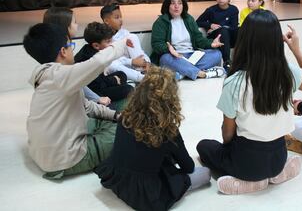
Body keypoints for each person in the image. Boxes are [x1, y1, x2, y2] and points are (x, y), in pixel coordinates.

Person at [196, 10, 302, 194]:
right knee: (264, 157)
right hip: (279, 155)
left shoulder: (235, 81)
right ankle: (276, 174)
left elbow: (227, 134)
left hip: (247, 161)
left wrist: (228, 150)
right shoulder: (287, 72)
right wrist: (296, 50)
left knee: (204, 146)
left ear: (245, 40)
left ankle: (251, 181)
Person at [23, 22, 133, 179]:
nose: (71, 49)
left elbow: (86, 106)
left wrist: (116, 116)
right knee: (131, 130)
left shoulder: (46, 76)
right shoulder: (60, 75)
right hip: (65, 160)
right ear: (63, 51)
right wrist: (122, 43)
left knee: (116, 115)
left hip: (44, 154)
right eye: (70, 45)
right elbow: (98, 62)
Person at [95, 66, 211, 210]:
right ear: (171, 99)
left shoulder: (125, 116)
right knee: (205, 174)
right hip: (146, 194)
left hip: (118, 180)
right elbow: (188, 166)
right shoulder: (167, 129)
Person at [43, 6, 111, 106]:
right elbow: (76, 81)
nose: (77, 25)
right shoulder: (61, 54)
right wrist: (97, 98)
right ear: (65, 27)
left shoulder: (59, 46)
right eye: (74, 22)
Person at [151, 0, 225, 80]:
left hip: (192, 55)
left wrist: (211, 44)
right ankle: (202, 74)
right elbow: (156, 44)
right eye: (173, 3)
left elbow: (199, 39)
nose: (176, 6)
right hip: (175, 57)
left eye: (179, 3)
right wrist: (169, 49)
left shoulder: (188, 19)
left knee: (216, 54)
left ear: (183, 5)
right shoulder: (161, 22)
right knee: (165, 59)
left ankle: (182, 72)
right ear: (167, 5)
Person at [74, 22, 133, 102]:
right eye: (108, 42)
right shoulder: (92, 59)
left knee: (121, 74)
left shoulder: (90, 49)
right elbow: (98, 84)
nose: (111, 44)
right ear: (96, 45)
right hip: (95, 90)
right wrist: (113, 80)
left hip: (99, 81)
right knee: (129, 89)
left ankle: (118, 85)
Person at [101, 3, 150, 82]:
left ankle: (144, 71)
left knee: (132, 37)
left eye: (121, 17)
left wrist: (146, 62)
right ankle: (142, 78)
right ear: (106, 21)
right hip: (120, 67)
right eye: (117, 17)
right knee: (111, 65)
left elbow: (140, 52)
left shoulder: (125, 33)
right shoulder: (102, 38)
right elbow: (110, 58)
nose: (121, 20)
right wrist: (131, 62)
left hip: (135, 66)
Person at [196, 0, 239, 72]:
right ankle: (227, 61)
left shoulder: (234, 9)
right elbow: (197, 22)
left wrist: (223, 27)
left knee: (241, 29)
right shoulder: (211, 10)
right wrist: (210, 25)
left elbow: (234, 27)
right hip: (217, 37)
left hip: (230, 36)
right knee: (223, 31)